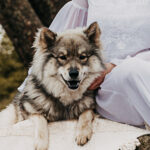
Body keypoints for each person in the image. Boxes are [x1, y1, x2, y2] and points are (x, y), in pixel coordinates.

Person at [18, 0, 150, 128]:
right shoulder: (84, 2)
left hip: (144, 73)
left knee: (133, 69)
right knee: (131, 72)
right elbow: (59, 45)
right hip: (108, 88)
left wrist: (115, 65)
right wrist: (29, 90)